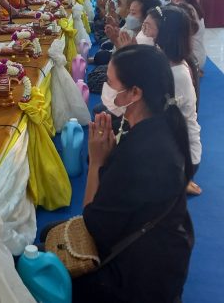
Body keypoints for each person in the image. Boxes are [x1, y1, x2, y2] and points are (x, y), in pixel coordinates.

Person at [72, 44, 194, 303]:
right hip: (164, 262)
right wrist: (111, 160)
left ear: (135, 92)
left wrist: (96, 163)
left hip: (135, 281)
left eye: (110, 82)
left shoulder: (141, 153)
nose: (105, 88)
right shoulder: (163, 126)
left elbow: (89, 227)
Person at [139, 6, 202, 196]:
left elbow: (151, 114)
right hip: (169, 141)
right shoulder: (166, 59)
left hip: (182, 156)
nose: (144, 32)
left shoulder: (177, 73)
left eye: (148, 27)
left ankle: (181, 180)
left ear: (164, 34)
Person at [170, 0, 206, 72]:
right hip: (199, 55)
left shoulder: (184, 11)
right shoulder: (193, 7)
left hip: (192, 60)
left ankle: (193, 72)